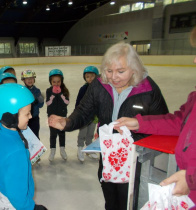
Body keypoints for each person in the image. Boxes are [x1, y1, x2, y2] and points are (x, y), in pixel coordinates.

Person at [48, 42, 169, 210]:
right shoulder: (99, 84)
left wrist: (139, 134)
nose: (113, 77)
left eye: (121, 71)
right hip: (108, 155)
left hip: (135, 160)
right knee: (110, 198)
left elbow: (162, 124)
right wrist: (67, 122)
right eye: (109, 71)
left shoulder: (148, 90)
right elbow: (84, 111)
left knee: (129, 200)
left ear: (134, 69)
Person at [114, 27, 196, 209]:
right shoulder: (195, 99)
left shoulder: (149, 89)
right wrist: (138, 123)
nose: (195, 59)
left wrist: (191, 178)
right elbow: (178, 122)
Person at [0, 83, 47, 210]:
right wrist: (31, 207)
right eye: (27, 114)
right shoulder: (17, 152)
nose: (31, 116)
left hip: (1, 194)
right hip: (15, 204)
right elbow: (17, 192)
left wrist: (2, 163)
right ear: (10, 117)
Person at [75, 66, 100, 162]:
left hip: (94, 117)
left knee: (90, 134)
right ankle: (80, 149)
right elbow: (78, 102)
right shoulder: (83, 89)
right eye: (87, 76)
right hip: (84, 116)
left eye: (92, 76)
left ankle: (89, 149)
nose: (90, 78)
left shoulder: (99, 89)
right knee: (82, 134)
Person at [46, 69, 70, 162]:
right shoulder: (49, 90)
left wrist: (60, 94)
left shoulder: (64, 90)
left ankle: (62, 149)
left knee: (62, 133)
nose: (56, 84)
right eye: (54, 82)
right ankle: (52, 150)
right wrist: (52, 94)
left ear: (61, 81)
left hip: (62, 117)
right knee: (53, 134)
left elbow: (66, 102)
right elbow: (48, 103)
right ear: (51, 82)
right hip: (52, 117)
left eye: (58, 81)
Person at [21, 70, 44, 139]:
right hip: (24, 118)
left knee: (35, 136)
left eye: (31, 78)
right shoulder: (22, 91)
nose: (30, 80)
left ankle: (36, 148)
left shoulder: (37, 91)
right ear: (24, 80)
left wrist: (39, 100)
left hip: (34, 118)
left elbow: (41, 105)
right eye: (27, 78)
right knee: (25, 136)